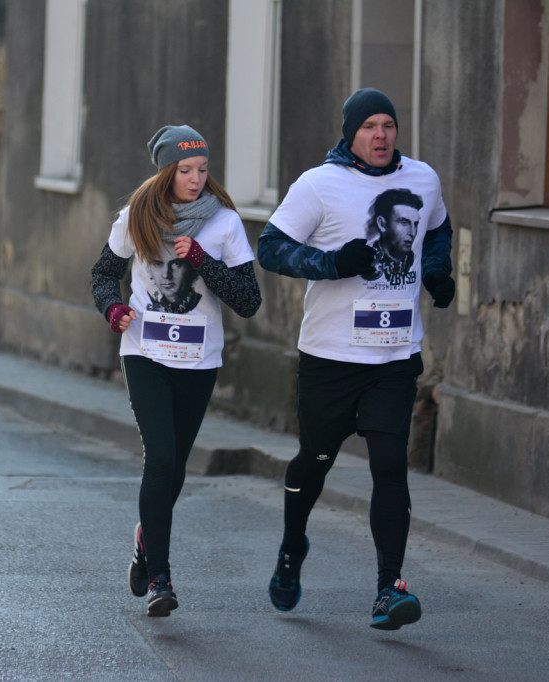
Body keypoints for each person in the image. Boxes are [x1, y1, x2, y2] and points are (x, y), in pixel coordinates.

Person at [257, 88, 455, 630]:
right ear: (350, 133)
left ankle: (389, 588)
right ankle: (292, 549)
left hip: (395, 356)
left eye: (388, 124)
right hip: (331, 357)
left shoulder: (422, 178)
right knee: (314, 463)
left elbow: (437, 227)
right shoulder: (318, 185)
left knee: (390, 466)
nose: (381, 135)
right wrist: (330, 263)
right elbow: (270, 247)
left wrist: (437, 271)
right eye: (369, 126)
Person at [90, 125, 262, 616]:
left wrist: (205, 261)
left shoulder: (224, 224)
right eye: (185, 170)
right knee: (160, 456)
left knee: (176, 467)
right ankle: (161, 580)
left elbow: (249, 302)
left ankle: (147, 540)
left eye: (202, 170)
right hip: (144, 352)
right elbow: (104, 274)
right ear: (166, 172)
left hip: (198, 360)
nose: (195, 179)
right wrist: (112, 309)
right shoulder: (135, 217)